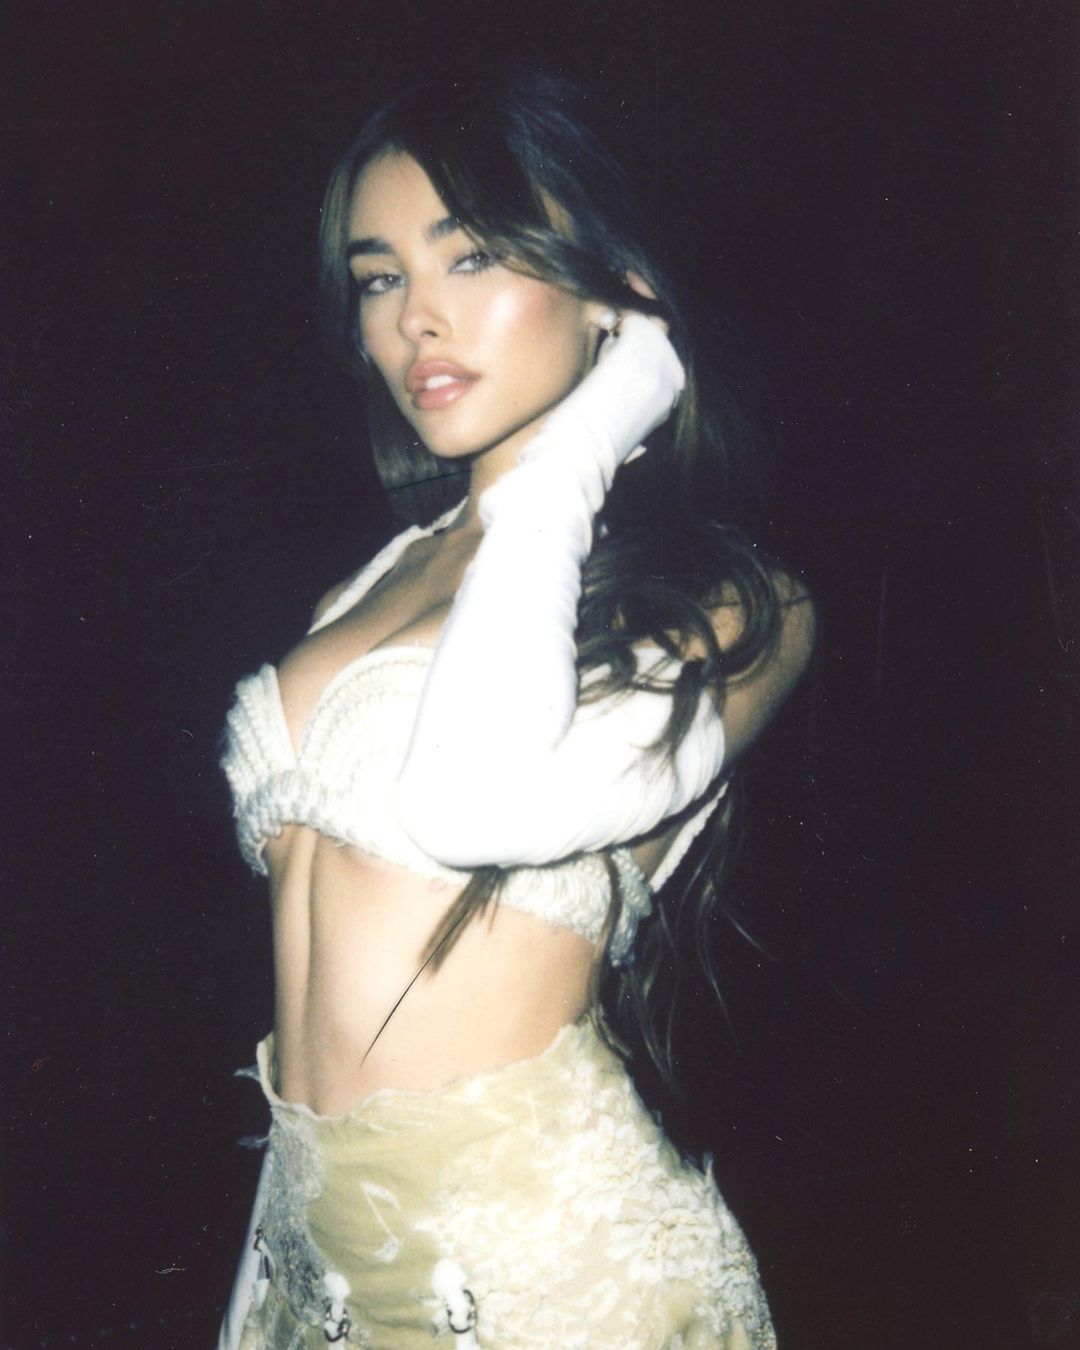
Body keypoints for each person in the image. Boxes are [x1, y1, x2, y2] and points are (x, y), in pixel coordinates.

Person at [219, 66, 813, 1349]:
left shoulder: (730, 603)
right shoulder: (362, 589)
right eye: (380, 278)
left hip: (559, 1289)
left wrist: (583, 445)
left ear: (611, 294)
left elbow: (473, 802)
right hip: (325, 1282)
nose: (416, 321)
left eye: (472, 256)